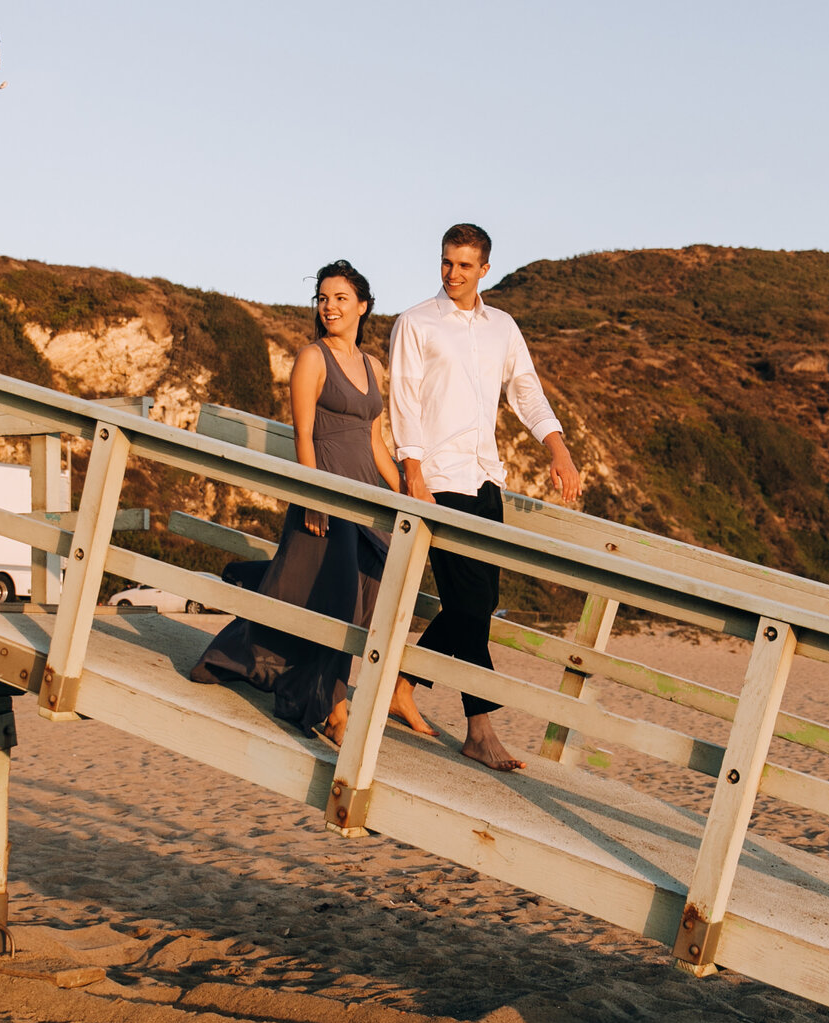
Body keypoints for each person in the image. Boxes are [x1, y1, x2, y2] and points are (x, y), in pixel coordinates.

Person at [190, 263, 436, 747]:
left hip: (369, 497)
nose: (330, 306)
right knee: (338, 599)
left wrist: (405, 492)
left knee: (363, 598)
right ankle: (335, 710)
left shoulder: (372, 367)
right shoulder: (311, 358)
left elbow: (375, 441)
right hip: (328, 492)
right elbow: (304, 434)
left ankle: (313, 689)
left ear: (363, 305)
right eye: (323, 298)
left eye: (341, 298)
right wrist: (313, 497)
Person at [389, 223, 581, 772]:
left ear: (485, 269)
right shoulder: (416, 322)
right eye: (446, 262)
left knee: (472, 606)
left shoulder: (503, 327)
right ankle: (480, 729)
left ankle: (402, 682)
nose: (452, 274)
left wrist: (558, 450)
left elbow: (526, 391)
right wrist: (413, 472)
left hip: (485, 481)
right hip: (439, 481)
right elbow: (402, 398)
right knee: (472, 606)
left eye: (465, 265)